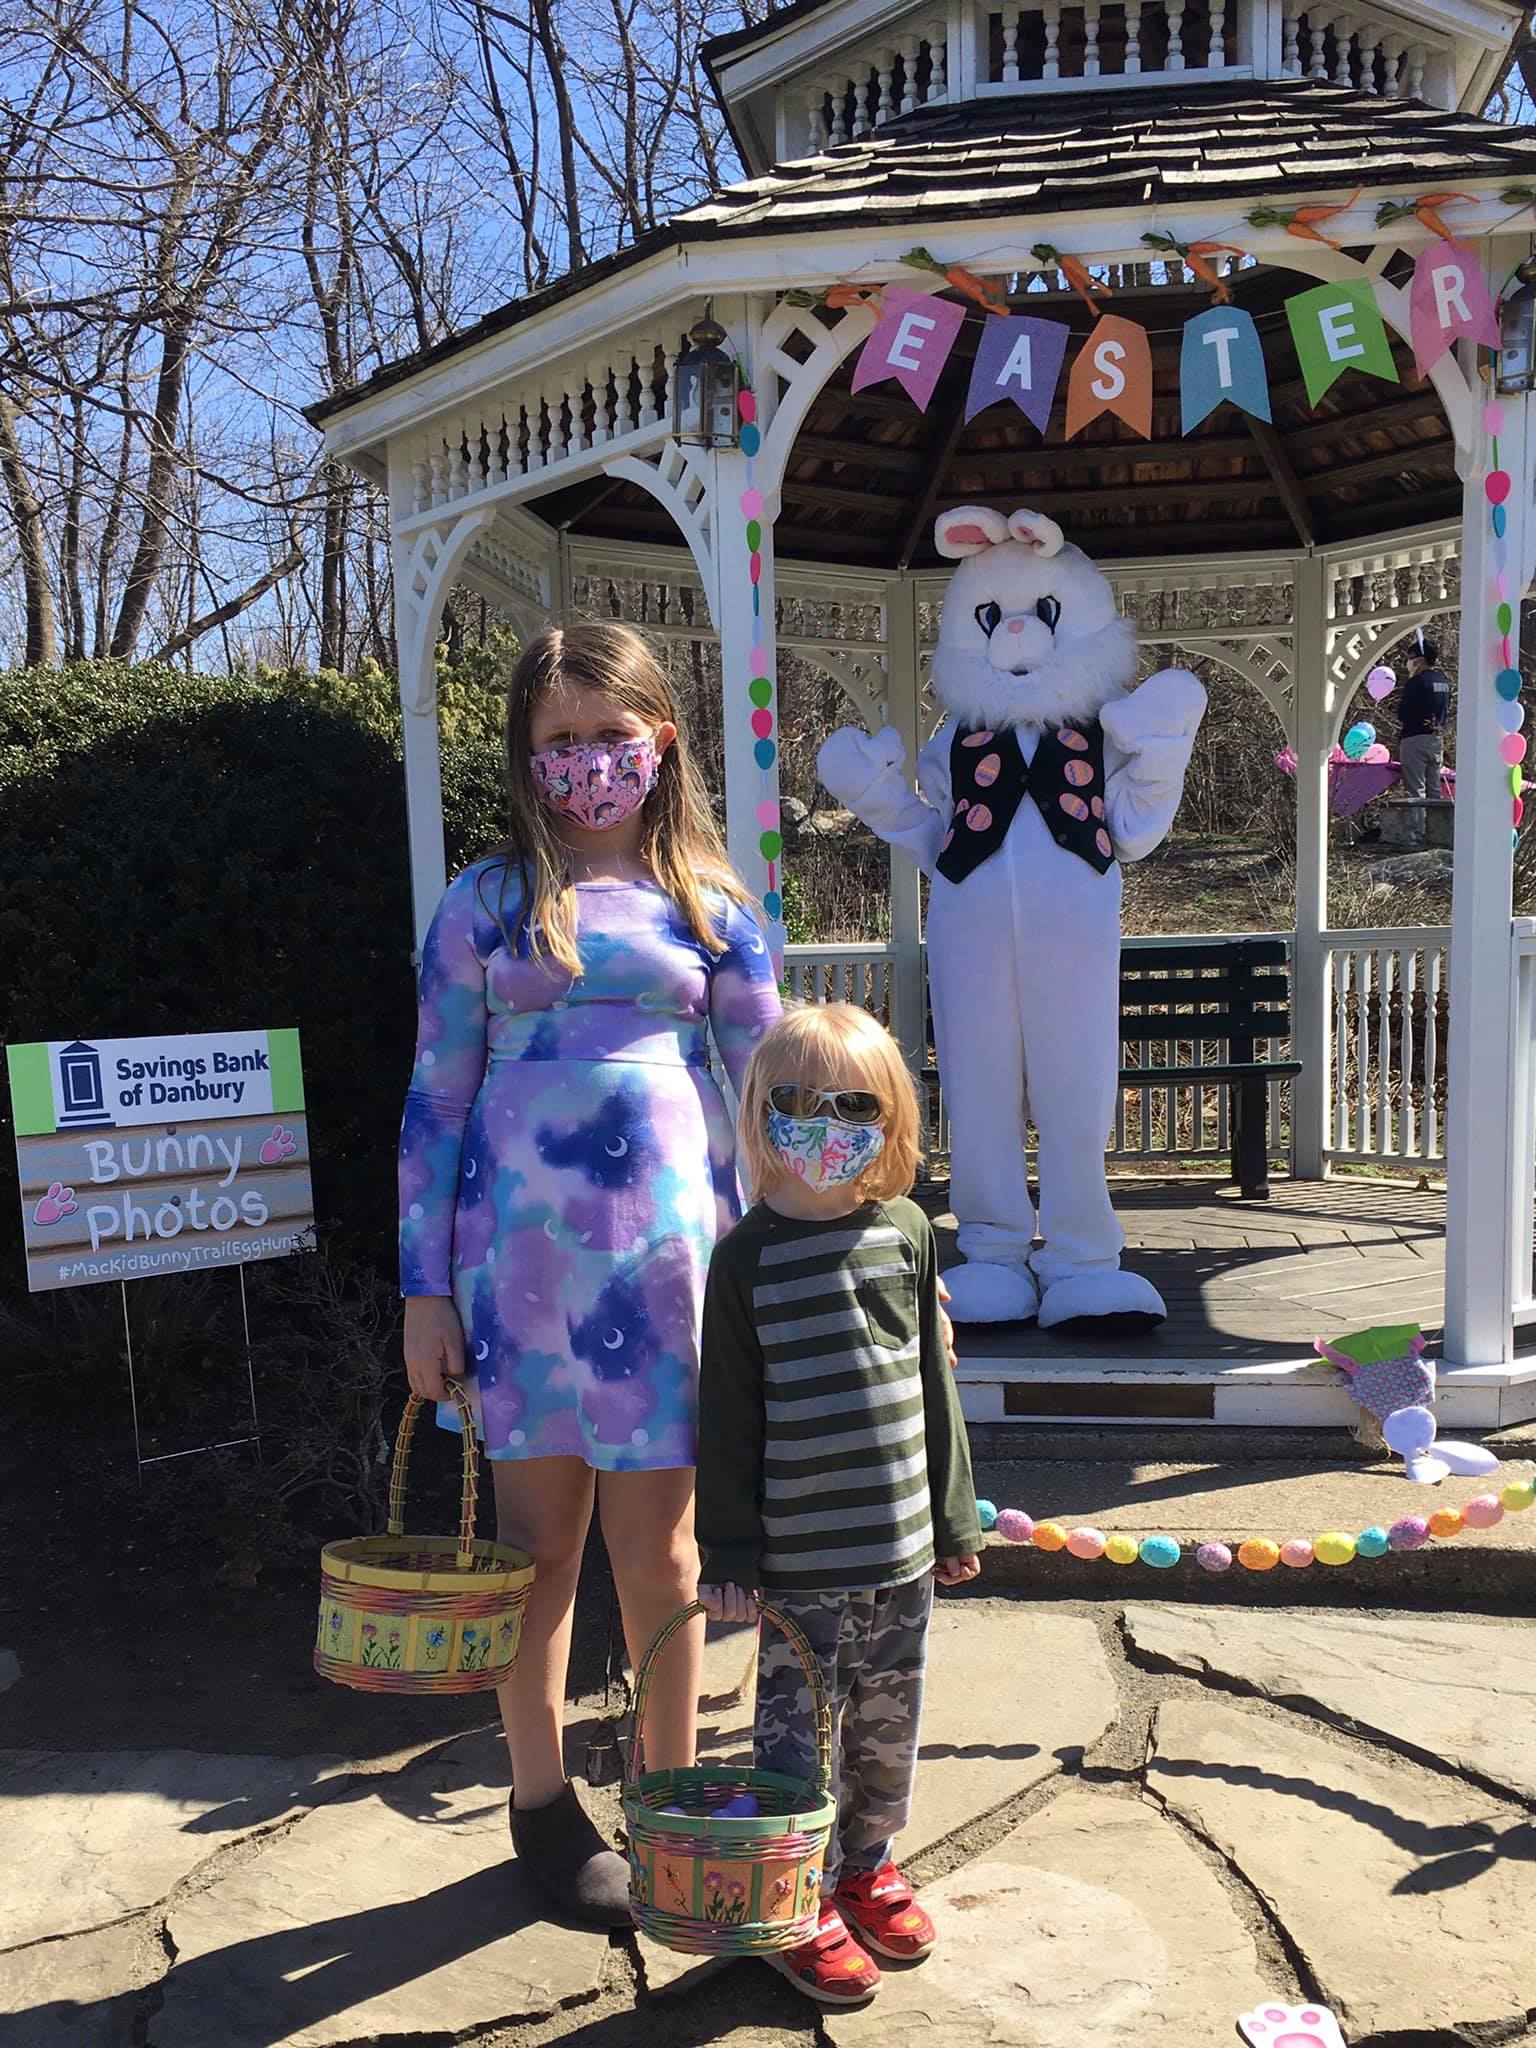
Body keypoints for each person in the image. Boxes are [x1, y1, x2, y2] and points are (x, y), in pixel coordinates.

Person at [399, 622, 781, 1927]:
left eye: (607, 735)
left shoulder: (716, 913)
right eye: (557, 741)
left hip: (675, 1286)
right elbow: (434, 1104)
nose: (585, 764)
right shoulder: (484, 906)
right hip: (521, 1288)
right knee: (533, 1554)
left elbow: (778, 1100)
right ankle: (543, 1800)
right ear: (524, 756)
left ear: (660, 741)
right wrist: (423, 1287)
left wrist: (812, 1263)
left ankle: (667, 1799)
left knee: (663, 1559)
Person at [696, 1004, 982, 2008]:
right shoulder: (745, 1261)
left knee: (886, 1727)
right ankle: (792, 1896)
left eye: (851, 1104)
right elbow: (726, 1416)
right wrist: (726, 1551)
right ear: (762, 1118)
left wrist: (955, 1518)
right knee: (795, 1739)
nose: (825, 1126)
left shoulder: (904, 1234)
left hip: (901, 1551)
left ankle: (865, 1862)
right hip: (798, 1567)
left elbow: (931, 1383)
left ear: (890, 1115)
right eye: (797, 1105)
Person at [1398, 634, 1453, 805]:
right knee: (1434, 791)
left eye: (1411, 658)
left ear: (1420, 660)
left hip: (1415, 739)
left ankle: (1418, 830)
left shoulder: (1416, 683)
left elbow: (1403, 713)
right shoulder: (1444, 682)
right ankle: (1436, 829)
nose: (1409, 662)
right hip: (1436, 740)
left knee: (1415, 792)